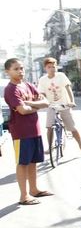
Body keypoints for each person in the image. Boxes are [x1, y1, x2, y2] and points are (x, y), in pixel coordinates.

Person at [3, 58, 52, 205]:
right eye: (16, 69)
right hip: (21, 132)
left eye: (22, 68)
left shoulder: (28, 85)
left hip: (35, 129)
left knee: (33, 162)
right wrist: (37, 106)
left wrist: (30, 103)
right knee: (22, 163)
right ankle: (23, 196)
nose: (20, 71)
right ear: (8, 72)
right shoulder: (11, 90)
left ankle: (34, 190)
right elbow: (22, 111)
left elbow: (46, 102)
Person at [37, 57, 81, 156]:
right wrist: (42, 98)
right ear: (45, 68)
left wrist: (72, 101)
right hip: (51, 106)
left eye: (53, 66)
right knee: (49, 127)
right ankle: (50, 147)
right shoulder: (43, 80)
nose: (52, 69)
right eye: (49, 67)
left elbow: (68, 89)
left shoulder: (61, 76)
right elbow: (42, 93)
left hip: (64, 105)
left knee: (72, 128)